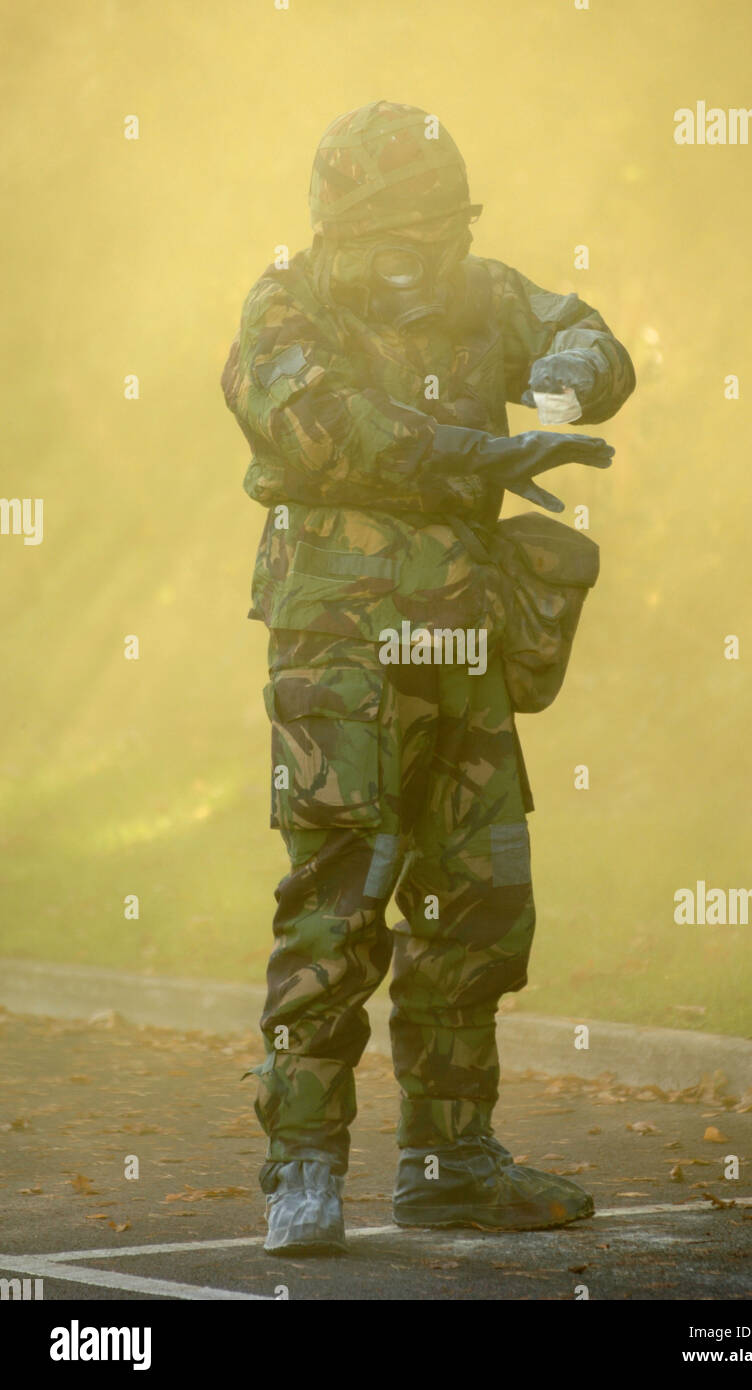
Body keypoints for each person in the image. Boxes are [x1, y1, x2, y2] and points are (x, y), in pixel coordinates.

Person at [221, 100, 635, 1255]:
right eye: (401, 230)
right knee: (338, 895)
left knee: (478, 896)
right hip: (339, 654)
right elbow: (319, 429)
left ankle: (450, 1160)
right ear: (344, 226)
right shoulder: (284, 308)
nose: (424, 254)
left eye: (439, 226)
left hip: (465, 641)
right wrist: (479, 452)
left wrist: (569, 371)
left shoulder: (481, 293)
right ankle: (301, 1166)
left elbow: (591, 332)